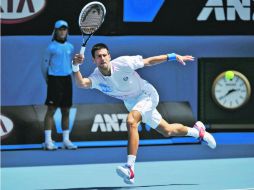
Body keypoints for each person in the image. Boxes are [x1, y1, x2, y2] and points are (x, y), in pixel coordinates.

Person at [72, 43, 216, 184]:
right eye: (98, 56)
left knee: (131, 121)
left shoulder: (123, 63)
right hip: (131, 103)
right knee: (167, 130)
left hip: (146, 94)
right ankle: (198, 132)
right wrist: (75, 66)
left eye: (104, 55)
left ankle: (130, 168)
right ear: (94, 60)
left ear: (109, 56)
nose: (102, 58)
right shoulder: (97, 77)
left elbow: (148, 61)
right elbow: (81, 83)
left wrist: (172, 56)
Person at [41, 20, 77, 150]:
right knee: (51, 110)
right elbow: (44, 66)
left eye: (64, 29)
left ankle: (66, 140)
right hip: (54, 80)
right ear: (55, 31)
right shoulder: (50, 47)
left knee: (66, 110)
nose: (62, 31)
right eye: (60, 29)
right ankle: (47, 141)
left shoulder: (70, 47)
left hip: (67, 79)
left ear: (67, 31)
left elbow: (70, 64)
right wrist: (49, 80)